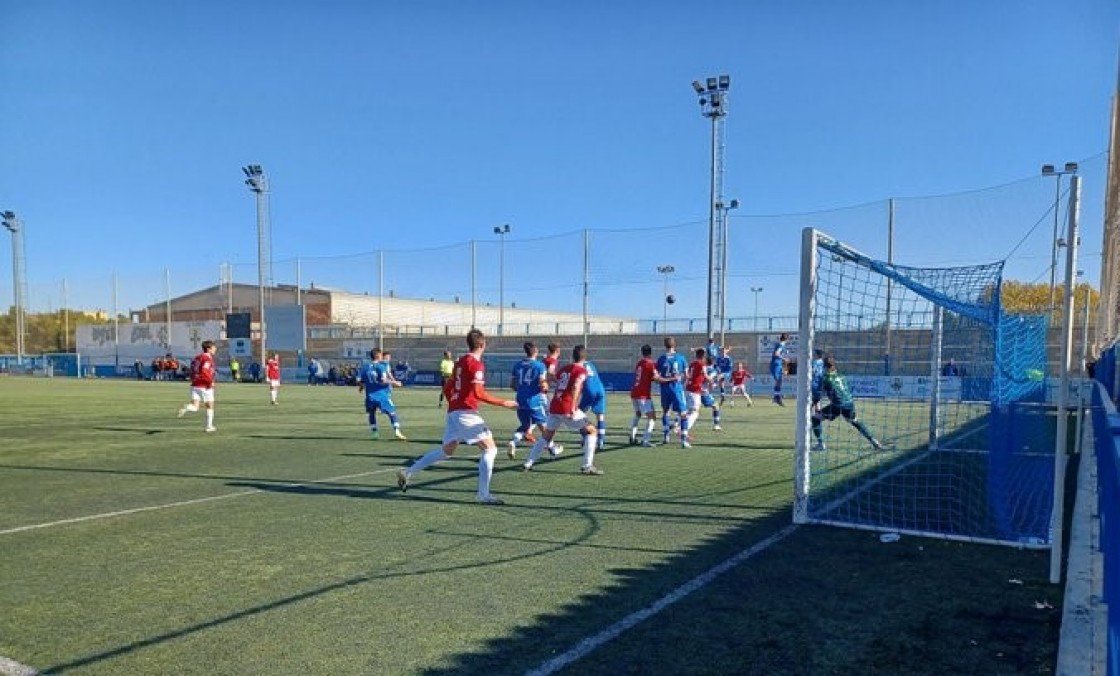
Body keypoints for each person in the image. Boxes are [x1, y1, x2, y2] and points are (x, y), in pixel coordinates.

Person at [397, 329, 518, 504]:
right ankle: (483, 495)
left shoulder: (460, 362)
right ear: (483, 344)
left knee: (446, 451)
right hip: (466, 413)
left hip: (455, 412)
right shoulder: (476, 365)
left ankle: (408, 472)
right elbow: (478, 393)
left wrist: (453, 403)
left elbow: (447, 388)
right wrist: (504, 403)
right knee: (490, 449)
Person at [522, 344, 601, 475]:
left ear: (572, 356)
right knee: (592, 431)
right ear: (585, 357)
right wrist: (573, 407)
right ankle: (587, 466)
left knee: (546, 436)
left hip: (555, 405)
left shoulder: (565, 368)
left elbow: (554, 377)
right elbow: (576, 386)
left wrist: (550, 375)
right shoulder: (582, 371)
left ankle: (528, 463)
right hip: (567, 406)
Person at [811, 356, 882, 451]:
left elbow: (817, 394)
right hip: (849, 403)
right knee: (855, 421)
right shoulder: (842, 375)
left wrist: (814, 405)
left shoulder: (825, 379)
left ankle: (821, 444)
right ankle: (874, 441)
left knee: (815, 418)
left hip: (837, 405)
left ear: (824, 367)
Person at [506, 342, 558, 459]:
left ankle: (513, 442)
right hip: (534, 400)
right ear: (536, 351)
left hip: (520, 399)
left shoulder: (518, 365)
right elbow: (543, 384)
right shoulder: (539, 366)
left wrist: (523, 388)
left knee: (525, 426)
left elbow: (513, 385)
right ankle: (552, 448)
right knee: (543, 426)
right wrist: (545, 386)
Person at [357, 348, 406, 440]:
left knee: (371, 413)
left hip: (369, 396)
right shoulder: (381, 366)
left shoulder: (365, 367)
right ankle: (397, 431)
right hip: (381, 395)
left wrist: (361, 387)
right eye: (381, 354)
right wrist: (394, 382)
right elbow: (383, 380)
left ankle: (374, 432)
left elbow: (359, 380)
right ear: (378, 355)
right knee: (392, 412)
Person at [655, 336, 690, 447]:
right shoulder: (681, 358)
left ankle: (666, 436)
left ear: (665, 345)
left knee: (666, 412)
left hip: (665, 388)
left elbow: (656, 376)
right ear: (674, 345)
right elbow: (686, 375)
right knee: (683, 413)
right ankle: (683, 440)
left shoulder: (661, 359)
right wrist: (683, 384)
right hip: (676, 388)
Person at [177, 340, 218, 432]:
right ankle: (209, 426)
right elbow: (204, 370)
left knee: (195, 407)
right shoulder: (207, 358)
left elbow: (192, 370)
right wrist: (210, 381)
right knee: (210, 406)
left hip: (195, 385)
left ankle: (187, 407)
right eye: (214, 348)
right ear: (208, 349)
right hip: (205, 385)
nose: (215, 349)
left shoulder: (197, 357)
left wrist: (193, 379)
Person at [628, 344, 658, 447]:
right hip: (643, 394)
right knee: (652, 417)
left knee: (638, 414)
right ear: (650, 353)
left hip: (634, 392)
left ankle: (632, 436)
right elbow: (656, 378)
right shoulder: (650, 363)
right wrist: (670, 379)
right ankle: (645, 440)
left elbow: (645, 377)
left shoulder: (639, 363)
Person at [580, 356, 608, 450]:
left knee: (579, 414)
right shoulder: (591, 364)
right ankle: (601, 442)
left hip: (589, 390)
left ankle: (585, 438)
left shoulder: (578, 365)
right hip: (600, 389)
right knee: (600, 416)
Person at [770, 333, 789, 406]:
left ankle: (776, 397)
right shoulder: (781, 345)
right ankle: (777, 398)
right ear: (787, 339)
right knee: (779, 381)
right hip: (776, 364)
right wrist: (784, 358)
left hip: (777, 364)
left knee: (779, 381)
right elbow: (776, 354)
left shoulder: (779, 344)